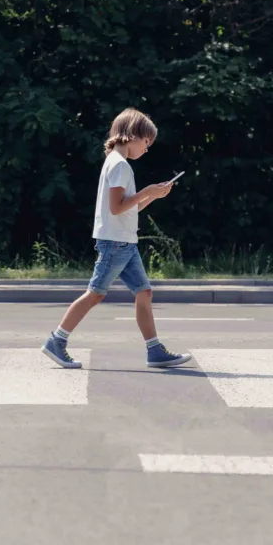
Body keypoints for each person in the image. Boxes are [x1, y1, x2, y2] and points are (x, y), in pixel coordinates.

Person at [41, 108, 192, 369]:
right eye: (147, 142)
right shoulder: (121, 165)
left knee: (144, 292)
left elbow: (125, 208)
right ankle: (56, 341)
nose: (147, 149)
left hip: (124, 242)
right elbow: (117, 207)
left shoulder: (114, 161)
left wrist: (151, 196)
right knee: (95, 294)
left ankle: (154, 350)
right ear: (132, 135)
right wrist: (146, 191)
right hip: (115, 243)